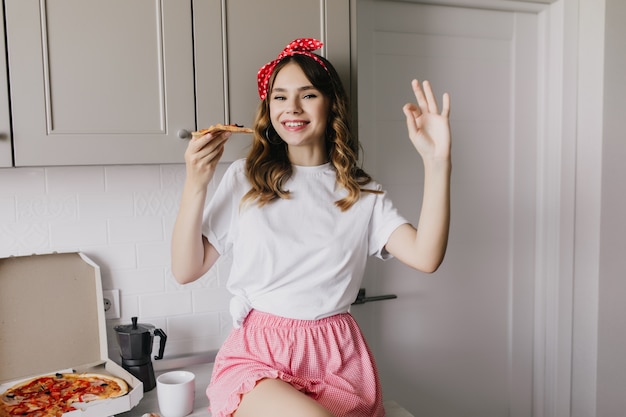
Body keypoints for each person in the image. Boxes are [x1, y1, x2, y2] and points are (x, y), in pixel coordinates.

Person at [171, 38, 451, 417]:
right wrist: (196, 183)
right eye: (280, 97)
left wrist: (437, 162)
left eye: (308, 95)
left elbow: (426, 257)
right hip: (259, 356)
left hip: (338, 361)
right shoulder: (245, 179)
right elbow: (186, 269)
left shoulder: (361, 192)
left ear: (331, 102)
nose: (292, 109)